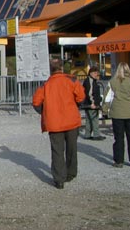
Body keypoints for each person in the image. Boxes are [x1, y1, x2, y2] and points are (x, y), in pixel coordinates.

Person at [33, 58, 85, 189]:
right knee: (72, 148)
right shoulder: (72, 80)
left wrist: (45, 112)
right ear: (62, 67)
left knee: (57, 151)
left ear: (50, 69)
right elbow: (81, 97)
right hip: (71, 120)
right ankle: (71, 173)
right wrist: (75, 105)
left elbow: (36, 102)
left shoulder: (45, 85)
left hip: (54, 122)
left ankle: (59, 179)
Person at [102, 62, 130, 168]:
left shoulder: (112, 82)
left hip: (117, 113)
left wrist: (105, 111)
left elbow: (107, 98)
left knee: (118, 138)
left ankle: (119, 161)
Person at [82, 66, 105, 140]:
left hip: (88, 104)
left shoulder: (90, 81)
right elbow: (90, 93)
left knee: (89, 119)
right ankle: (96, 134)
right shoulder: (90, 81)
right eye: (95, 73)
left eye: (97, 73)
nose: (96, 75)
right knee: (94, 119)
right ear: (91, 73)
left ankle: (87, 134)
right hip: (92, 104)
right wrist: (93, 103)